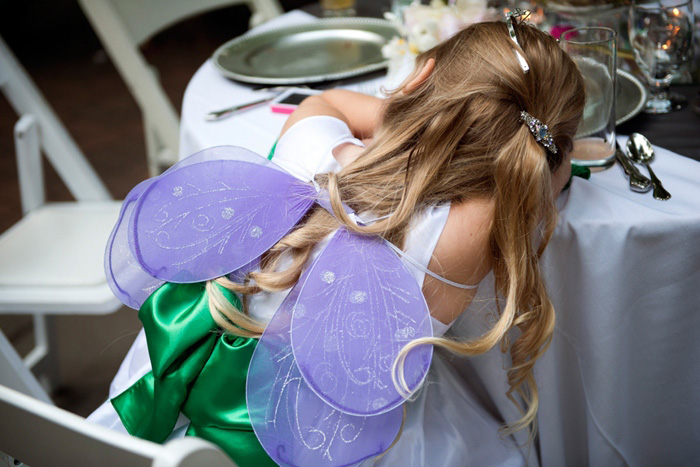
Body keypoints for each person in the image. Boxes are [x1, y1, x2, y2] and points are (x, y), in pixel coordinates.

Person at [89, 17, 584, 467]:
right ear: (539, 158)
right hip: (325, 444)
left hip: (177, 397)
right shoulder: (464, 236)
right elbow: (540, 180)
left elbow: (327, 101)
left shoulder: (310, 145)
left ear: (419, 79)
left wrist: (407, 114)